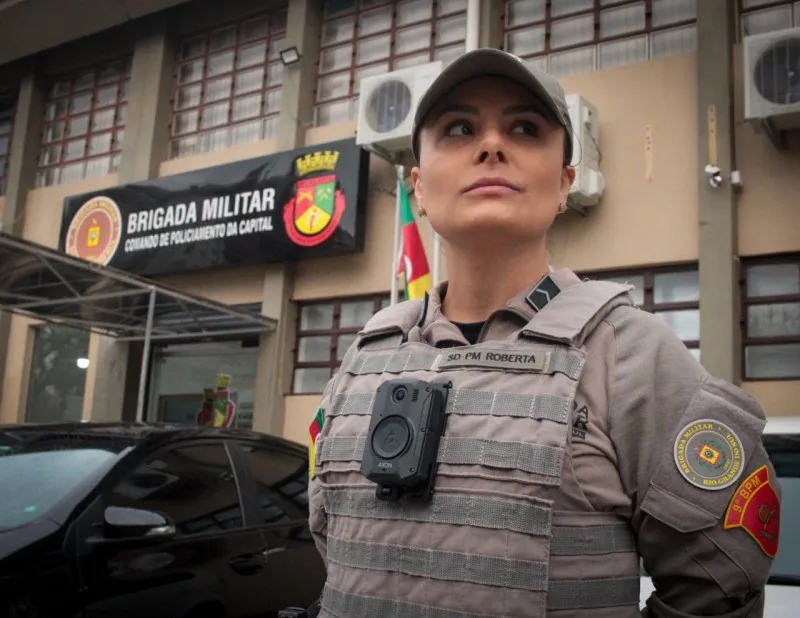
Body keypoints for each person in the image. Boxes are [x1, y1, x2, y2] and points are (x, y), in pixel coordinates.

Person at [307, 48, 780, 618]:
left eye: (525, 129)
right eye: (459, 128)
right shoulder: (365, 357)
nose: (491, 145)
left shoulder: (628, 355)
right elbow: (336, 544)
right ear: (419, 188)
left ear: (563, 184)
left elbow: (721, 585)